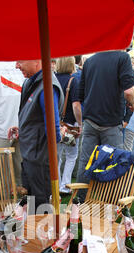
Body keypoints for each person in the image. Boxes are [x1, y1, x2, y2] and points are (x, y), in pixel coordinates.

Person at [75, 50, 134, 199]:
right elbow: (129, 92)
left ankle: (79, 201)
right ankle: (111, 201)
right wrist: (132, 103)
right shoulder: (123, 58)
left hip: (90, 120)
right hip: (111, 122)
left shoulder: (89, 61)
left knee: (85, 162)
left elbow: (79, 98)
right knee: (115, 163)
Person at [8, 60, 64, 211]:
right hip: (30, 159)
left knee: (42, 210)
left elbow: (53, 131)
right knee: (31, 206)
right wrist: (24, 129)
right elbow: (36, 118)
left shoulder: (47, 86)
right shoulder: (31, 82)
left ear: (37, 60)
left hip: (40, 163)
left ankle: (43, 233)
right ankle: (32, 232)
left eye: (20, 60)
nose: (16, 65)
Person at [55, 56, 82, 194]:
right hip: (70, 125)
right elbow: (76, 105)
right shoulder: (73, 80)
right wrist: (80, 124)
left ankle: (59, 184)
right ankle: (65, 185)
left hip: (56, 124)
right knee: (72, 155)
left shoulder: (52, 79)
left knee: (57, 156)